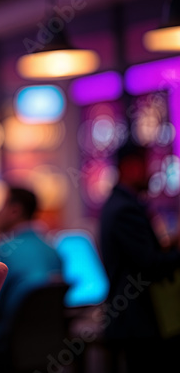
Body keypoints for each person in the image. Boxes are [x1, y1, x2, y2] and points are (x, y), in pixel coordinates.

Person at [99, 142, 180, 372]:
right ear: (131, 167)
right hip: (138, 320)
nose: (154, 173)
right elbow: (150, 265)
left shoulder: (120, 204)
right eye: (149, 165)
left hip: (135, 318)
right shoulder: (125, 208)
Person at [0, 186, 63, 359]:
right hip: (47, 349)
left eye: (1, 206)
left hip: (6, 349)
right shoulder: (52, 250)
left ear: (15, 210)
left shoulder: (2, 252)